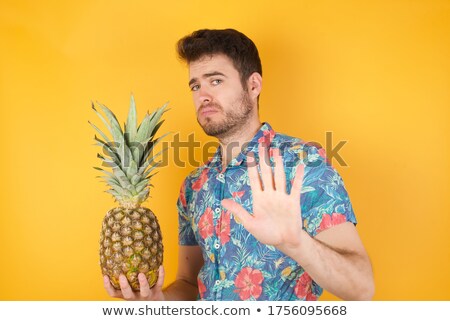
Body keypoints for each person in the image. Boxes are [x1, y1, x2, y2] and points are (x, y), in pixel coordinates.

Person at [103, 28, 375, 301]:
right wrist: (158, 301)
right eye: (196, 86)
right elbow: (188, 283)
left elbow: (362, 287)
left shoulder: (303, 165)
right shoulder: (194, 186)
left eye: (216, 81)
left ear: (253, 85)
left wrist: (297, 243)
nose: (203, 95)